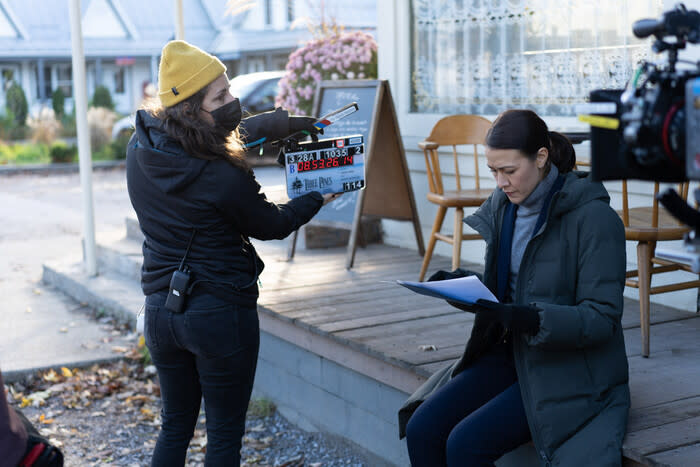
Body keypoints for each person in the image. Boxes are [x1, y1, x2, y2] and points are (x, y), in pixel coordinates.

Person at [126, 40, 339, 466]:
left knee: (175, 427)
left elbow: (213, 136)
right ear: (189, 108)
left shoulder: (141, 148)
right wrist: (318, 194)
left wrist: (278, 124)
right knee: (224, 437)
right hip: (219, 315)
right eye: (220, 97)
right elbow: (272, 224)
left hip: (161, 311)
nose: (233, 102)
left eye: (229, 90)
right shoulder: (221, 173)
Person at [399, 109, 629, 466]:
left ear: (541, 158)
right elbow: (505, 292)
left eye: (509, 170)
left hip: (570, 366)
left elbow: (602, 319)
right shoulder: (503, 206)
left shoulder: (595, 220)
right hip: (510, 350)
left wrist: (532, 320)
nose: (501, 182)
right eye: (494, 171)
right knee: (421, 428)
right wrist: (462, 290)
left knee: (465, 444)